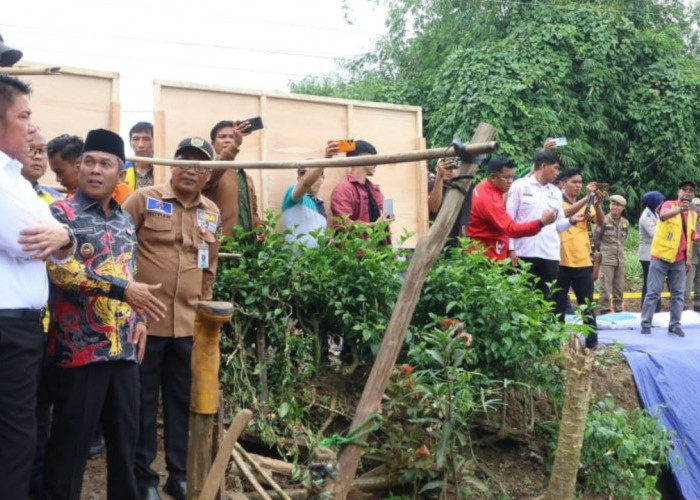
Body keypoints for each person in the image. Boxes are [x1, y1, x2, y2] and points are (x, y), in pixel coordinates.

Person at [43, 128, 167, 500]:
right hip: (79, 353)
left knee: (125, 448)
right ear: (79, 168)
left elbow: (129, 275)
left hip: (125, 351)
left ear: (120, 172)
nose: (95, 170)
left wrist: (141, 320)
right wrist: (123, 290)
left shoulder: (124, 221)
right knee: (69, 449)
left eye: (105, 164)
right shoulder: (58, 213)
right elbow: (61, 271)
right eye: (89, 162)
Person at [123, 137, 221, 500]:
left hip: (188, 326)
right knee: (143, 402)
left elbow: (208, 265)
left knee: (182, 401)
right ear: (171, 164)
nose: (191, 169)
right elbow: (118, 247)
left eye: (200, 164)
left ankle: (179, 474)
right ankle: (144, 478)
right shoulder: (144, 199)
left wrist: (203, 309)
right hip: (147, 324)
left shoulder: (210, 211)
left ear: (208, 174)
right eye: (184, 161)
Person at [0, 73, 75, 500]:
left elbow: (60, 240)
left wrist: (63, 237)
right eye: (23, 116)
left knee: (20, 435)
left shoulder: (14, 177)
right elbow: (31, 238)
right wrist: (60, 237)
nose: (32, 127)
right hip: (8, 327)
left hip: (22, 330)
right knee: (14, 440)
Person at [506, 150, 585, 300]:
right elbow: (509, 218)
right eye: (555, 168)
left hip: (549, 253)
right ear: (543, 166)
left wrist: (572, 220)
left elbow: (558, 224)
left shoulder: (555, 192)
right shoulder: (520, 186)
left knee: (545, 300)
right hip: (524, 251)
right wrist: (510, 248)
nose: (558, 173)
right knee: (521, 297)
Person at [466, 155, 556, 260]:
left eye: (511, 177)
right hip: (485, 256)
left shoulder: (483, 187)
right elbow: (511, 229)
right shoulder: (489, 200)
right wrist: (541, 222)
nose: (510, 181)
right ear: (493, 177)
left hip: (483, 251)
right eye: (506, 177)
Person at [553, 168, 605, 349]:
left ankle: (592, 344)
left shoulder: (586, 204)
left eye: (580, 182)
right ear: (563, 184)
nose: (578, 185)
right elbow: (564, 214)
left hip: (583, 261)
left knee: (587, 306)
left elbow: (600, 223)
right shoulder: (556, 201)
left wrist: (597, 203)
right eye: (574, 182)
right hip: (561, 262)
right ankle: (556, 344)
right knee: (557, 307)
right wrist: (588, 198)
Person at [640, 180, 699, 336]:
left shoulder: (693, 213)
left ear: (693, 195)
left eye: (691, 190)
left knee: (678, 294)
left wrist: (687, 260)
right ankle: (646, 323)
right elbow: (663, 216)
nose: (687, 193)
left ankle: (674, 325)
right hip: (660, 256)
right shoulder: (668, 205)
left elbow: (691, 236)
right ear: (678, 192)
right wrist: (679, 209)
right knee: (653, 292)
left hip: (679, 260)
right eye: (684, 190)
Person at [203, 119, 264, 239]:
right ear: (213, 143)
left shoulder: (246, 177)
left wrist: (260, 227)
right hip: (220, 246)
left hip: (246, 249)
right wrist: (235, 145)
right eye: (222, 137)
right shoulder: (208, 171)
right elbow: (215, 172)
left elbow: (253, 212)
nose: (228, 140)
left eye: (232, 136)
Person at [330, 139, 393, 244]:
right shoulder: (343, 189)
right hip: (358, 256)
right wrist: (374, 226)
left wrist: (385, 219)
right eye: (374, 159)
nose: (376, 164)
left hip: (381, 254)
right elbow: (343, 225)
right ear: (363, 158)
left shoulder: (374, 189)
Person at [594, 195, 629, 313]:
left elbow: (623, 241)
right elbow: (595, 239)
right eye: (613, 204)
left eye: (618, 205)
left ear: (623, 207)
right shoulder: (603, 220)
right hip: (606, 259)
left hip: (619, 259)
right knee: (605, 286)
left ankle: (618, 309)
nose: (615, 207)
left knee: (619, 287)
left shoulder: (625, 223)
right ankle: (604, 309)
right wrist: (597, 256)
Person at [428, 157, 470, 247]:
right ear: (437, 168)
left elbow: (463, 226)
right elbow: (434, 208)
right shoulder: (430, 185)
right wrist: (439, 177)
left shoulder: (462, 190)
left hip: (452, 244)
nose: (450, 170)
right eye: (445, 166)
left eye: (454, 167)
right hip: (431, 243)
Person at [281, 164, 326, 247]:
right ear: (299, 178)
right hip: (294, 260)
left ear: (322, 178)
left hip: (316, 259)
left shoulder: (320, 205)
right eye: (303, 173)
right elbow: (305, 183)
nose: (307, 176)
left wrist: (326, 240)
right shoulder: (292, 191)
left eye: (312, 172)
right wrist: (326, 158)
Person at [638, 190, 665, 308]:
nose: (662, 204)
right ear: (654, 203)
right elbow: (655, 234)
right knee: (650, 283)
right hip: (647, 254)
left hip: (655, 253)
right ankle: (649, 308)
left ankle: (655, 308)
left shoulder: (654, 213)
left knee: (656, 283)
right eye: (660, 202)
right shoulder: (646, 216)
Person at [20, 129, 63, 203]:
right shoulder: (5, 194)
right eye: (31, 149)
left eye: (42, 150)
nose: (38, 156)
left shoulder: (58, 200)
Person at [124, 121, 155, 189]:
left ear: (155, 142)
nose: (140, 145)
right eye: (136, 139)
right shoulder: (122, 170)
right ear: (130, 143)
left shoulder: (161, 171)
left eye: (146, 139)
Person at [685, 197, 700, 311]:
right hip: (691, 256)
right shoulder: (687, 218)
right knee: (687, 283)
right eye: (695, 206)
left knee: (699, 283)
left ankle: (697, 306)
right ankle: (683, 306)